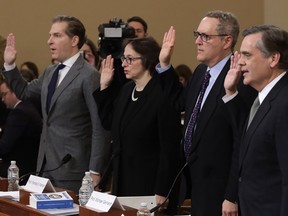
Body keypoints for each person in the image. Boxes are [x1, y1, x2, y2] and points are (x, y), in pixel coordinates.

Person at [157, 11, 257, 216]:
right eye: (197, 35)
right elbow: (179, 102)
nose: (197, 41)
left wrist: (232, 195)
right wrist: (165, 65)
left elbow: (241, 140)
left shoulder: (239, 78)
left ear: (227, 41)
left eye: (205, 36)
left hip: (220, 191)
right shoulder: (202, 72)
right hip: (193, 182)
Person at [2, 15, 108, 193]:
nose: (49, 41)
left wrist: (95, 170)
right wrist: (10, 65)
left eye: (57, 35)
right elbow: (24, 92)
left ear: (74, 40)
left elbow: (100, 126)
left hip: (74, 168)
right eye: (50, 35)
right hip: (44, 165)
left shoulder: (89, 75)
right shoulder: (50, 71)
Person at [93, 35, 181, 212]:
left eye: (130, 59)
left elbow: (169, 149)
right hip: (124, 178)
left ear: (147, 60)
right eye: (123, 58)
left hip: (149, 184)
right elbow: (110, 123)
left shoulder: (162, 94)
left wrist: (162, 191)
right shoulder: (127, 90)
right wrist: (104, 86)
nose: (123, 63)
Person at [224, 25, 288, 216]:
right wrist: (230, 92)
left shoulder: (284, 103)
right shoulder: (263, 98)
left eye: (247, 55)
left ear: (273, 59)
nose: (239, 63)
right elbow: (248, 139)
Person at [0, 80, 42, 178]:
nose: (2, 99)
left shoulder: (19, 113)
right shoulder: (29, 107)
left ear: (14, 92)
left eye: (4, 94)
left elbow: (4, 146)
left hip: (18, 172)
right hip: (29, 168)